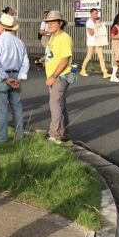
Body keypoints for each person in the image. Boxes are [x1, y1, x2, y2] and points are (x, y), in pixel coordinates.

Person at [0, 13, 29, 143]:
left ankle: (1, 136)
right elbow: (25, 62)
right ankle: (19, 136)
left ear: (1, 27)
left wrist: (5, 78)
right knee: (17, 106)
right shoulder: (19, 42)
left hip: (3, 77)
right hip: (16, 75)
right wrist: (20, 78)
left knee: (2, 108)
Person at [43, 11, 73, 143]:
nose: (49, 24)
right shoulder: (53, 37)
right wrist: (43, 60)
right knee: (61, 105)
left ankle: (55, 135)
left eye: (53, 22)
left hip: (60, 75)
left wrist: (53, 76)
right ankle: (64, 134)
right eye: (48, 22)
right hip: (55, 75)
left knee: (55, 104)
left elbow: (65, 59)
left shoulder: (64, 38)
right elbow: (53, 55)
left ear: (60, 23)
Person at [80, 8, 110, 78]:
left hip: (98, 42)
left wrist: (100, 25)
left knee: (101, 57)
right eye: (95, 13)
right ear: (91, 14)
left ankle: (104, 72)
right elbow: (91, 33)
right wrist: (96, 26)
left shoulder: (96, 21)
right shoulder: (89, 22)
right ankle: (83, 69)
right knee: (89, 57)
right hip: (91, 42)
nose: (97, 14)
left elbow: (100, 30)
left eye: (97, 13)